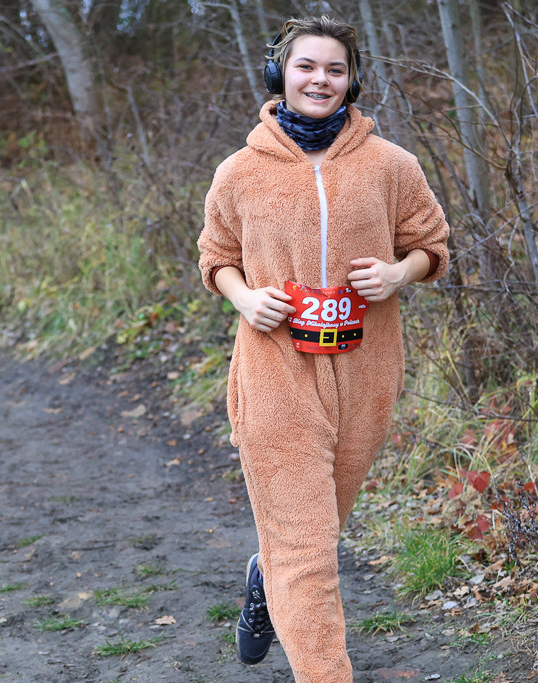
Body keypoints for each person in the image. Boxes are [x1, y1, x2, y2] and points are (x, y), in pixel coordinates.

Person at [197, 16, 450, 681]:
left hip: (364, 371)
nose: (320, 79)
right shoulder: (240, 172)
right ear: (281, 73)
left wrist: (399, 273)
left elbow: (433, 245)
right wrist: (246, 298)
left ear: (353, 79)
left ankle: (264, 574)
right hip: (274, 368)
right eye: (307, 66)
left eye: (335, 69)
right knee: (307, 548)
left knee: (314, 531)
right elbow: (217, 257)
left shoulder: (392, 165)